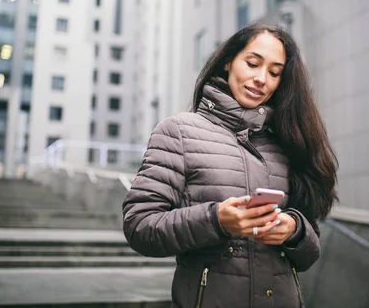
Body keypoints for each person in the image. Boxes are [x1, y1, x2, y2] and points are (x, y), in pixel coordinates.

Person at [122, 23, 338, 308]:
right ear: (228, 62)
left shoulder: (287, 142)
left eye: (274, 73)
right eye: (252, 63)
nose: (261, 79)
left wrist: (294, 230)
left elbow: (310, 255)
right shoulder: (178, 131)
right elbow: (140, 226)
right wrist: (217, 220)